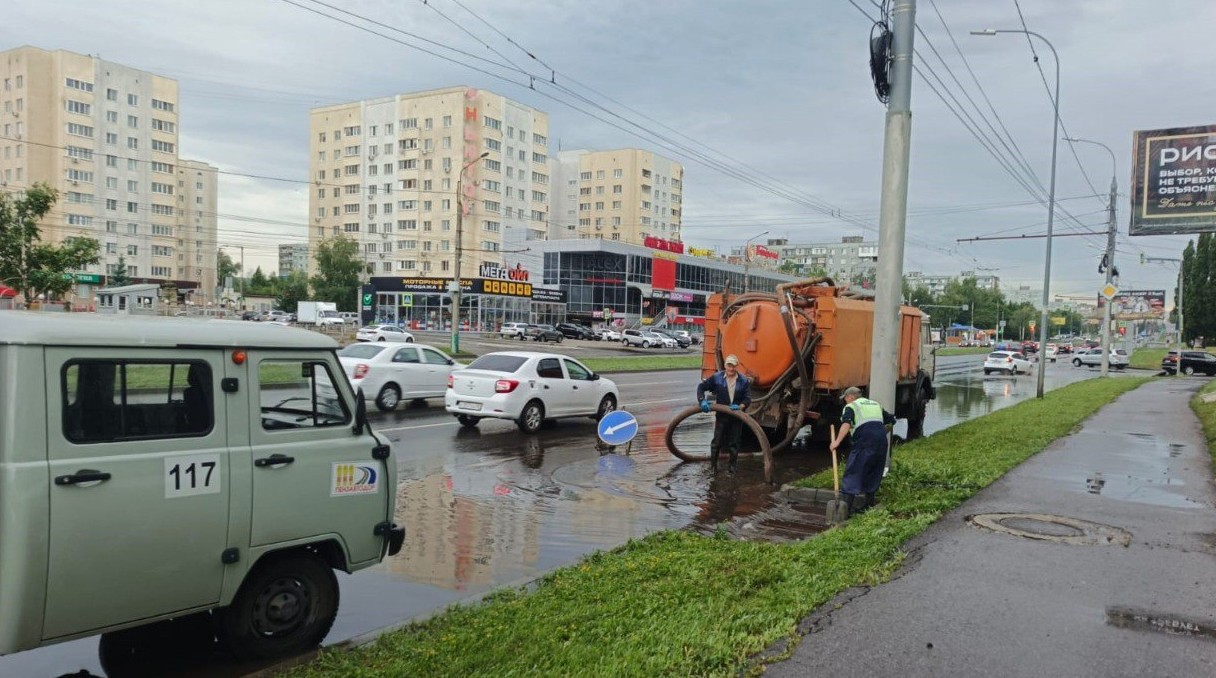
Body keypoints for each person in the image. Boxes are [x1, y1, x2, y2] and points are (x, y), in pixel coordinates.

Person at [829, 386, 896, 515]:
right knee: (873, 470)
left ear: (851, 397)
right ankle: (868, 505)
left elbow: (846, 423)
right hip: (881, 442)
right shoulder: (875, 404)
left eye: (845, 399)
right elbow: (891, 421)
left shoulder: (852, 406)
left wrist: (836, 442)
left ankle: (845, 509)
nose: (845, 401)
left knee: (854, 470)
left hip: (864, 441)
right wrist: (880, 433)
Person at [696, 354, 751, 473]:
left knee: (734, 444)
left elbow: (747, 399)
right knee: (717, 442)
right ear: (725, 365)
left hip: (736, 417)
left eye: (733, 366)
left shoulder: (743, 380)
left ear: (737, 367)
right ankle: (713, 468)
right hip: (722, 416)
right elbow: (701, 387)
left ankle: (732, 469)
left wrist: (740, 407)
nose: (731, 369)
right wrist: (702, 400)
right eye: (729, 365)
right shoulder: (717, 378)